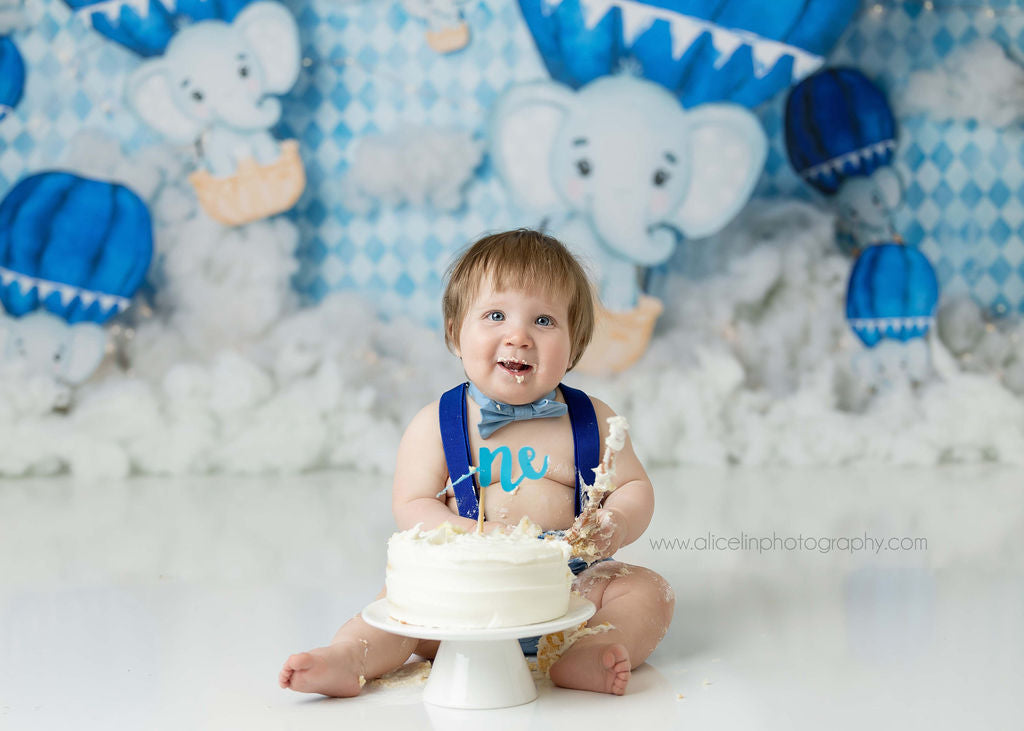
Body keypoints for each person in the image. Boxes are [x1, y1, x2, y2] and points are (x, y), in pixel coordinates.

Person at [278, 229, 674, 696]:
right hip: (465, 589)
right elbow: (413, 503)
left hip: (570, 585)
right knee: (401, 603)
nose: (519, 336)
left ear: (577, 342)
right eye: (495, 315)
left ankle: (589, 651)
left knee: (647, 591)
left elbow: (634, 487)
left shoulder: (594, 419)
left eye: (544, 320)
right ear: (455, 332)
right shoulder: (438, 424)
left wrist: (615, 521)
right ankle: (351, 656)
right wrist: (475, 537)